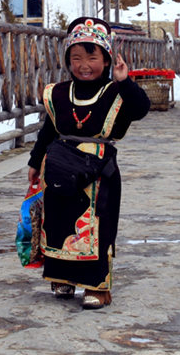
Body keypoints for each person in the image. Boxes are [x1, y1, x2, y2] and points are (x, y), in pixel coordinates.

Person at [27, 16, 150, 310]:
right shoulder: (58, 93)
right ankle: (62, 278)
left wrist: (125, 82)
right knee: (57, 223)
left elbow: (141, 109)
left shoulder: (116, 92)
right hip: (58, 166)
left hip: (99, 173)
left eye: (92, 57)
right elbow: (48, 129)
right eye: (76, 57)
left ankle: (97, 286)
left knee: (97, 227)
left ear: (106, 60)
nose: (84, 65)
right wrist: (35, 161)